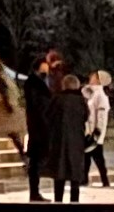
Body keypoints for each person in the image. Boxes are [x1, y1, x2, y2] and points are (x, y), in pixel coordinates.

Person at [40, 53, 92, 206]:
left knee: (59, 173)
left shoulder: (57, 99)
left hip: (58, 140)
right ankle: (74, 201)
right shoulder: (80, 101)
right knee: (74, 174)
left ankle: (58, 201)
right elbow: (86, 117)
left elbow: (47, 116)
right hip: (76, 142)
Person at [0, 52, 28, 172]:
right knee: (12, 133)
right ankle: (23, 157)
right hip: (4, 105)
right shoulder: (4, 76)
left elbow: (1, 92)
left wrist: (6, 104)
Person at [84, 69, 114, 188]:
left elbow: (101, 116)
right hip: (89, 130)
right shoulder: (92, 93)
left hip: (94, 132)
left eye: (94, 76)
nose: (91, 77)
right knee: (88, 156)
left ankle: (104, 180)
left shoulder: (101, 96)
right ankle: (86, 178)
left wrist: (97, 131)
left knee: (97, 157)